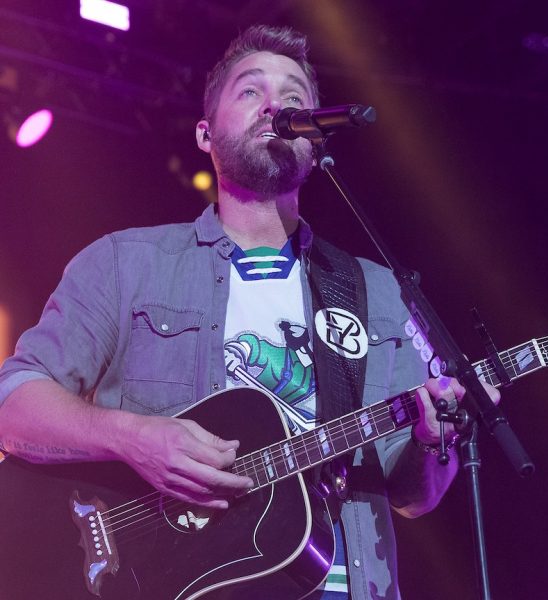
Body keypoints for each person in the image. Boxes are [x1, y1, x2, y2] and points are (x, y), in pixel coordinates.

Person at [0, 25, 498, 600]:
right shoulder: (124, 263)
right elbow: (14, 407)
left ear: (314, 142)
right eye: (250, 91)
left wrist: (437, 441)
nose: (275, 106)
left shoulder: (375, 291)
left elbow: (414, 495)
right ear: (204, 133)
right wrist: (131, 435)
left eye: (293, 98)